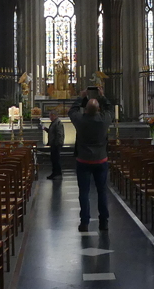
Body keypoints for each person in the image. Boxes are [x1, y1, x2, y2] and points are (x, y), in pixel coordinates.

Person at [69, 88, 114, 232]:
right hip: (100, 160)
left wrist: (80, 97)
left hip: (83, 160)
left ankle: (85, 222)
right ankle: (104, 222)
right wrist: (102, 96)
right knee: (102, 191)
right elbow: (110, 109)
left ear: (86, 110)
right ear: (98, 109)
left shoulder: (81, 120)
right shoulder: (104, 120)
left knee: (84, 192)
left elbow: (72, 111)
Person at [43, 110, 64, 179]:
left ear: (54, 115)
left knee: (56, 159)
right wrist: (45, 129)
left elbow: (59, 134)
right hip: (54, 144)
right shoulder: (54, 123)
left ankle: (57, 173)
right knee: (53, 159)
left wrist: (57, 144)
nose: (49, 117)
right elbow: (52, 132)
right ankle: (54, 173)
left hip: (56, 145)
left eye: (50, 116)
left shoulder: (58, 123)